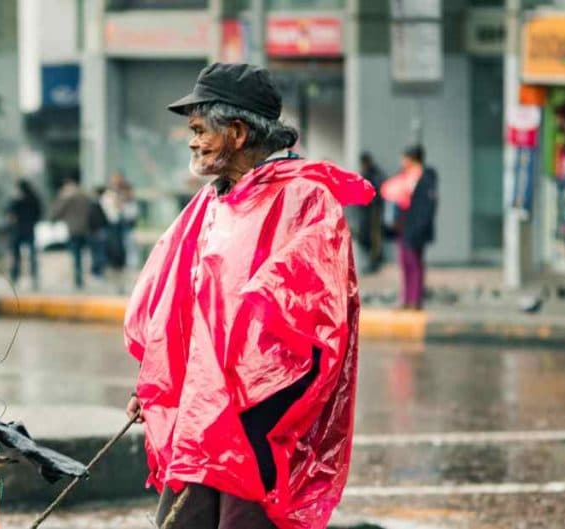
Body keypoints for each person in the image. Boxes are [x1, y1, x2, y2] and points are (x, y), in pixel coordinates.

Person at [123, 62, 374, 529]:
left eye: (201, 130)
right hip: (202, 417)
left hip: (259, 420)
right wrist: (156, 380)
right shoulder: (211, 202)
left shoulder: (304, 200)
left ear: (237, 133)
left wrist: (255, 414)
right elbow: (180, 305)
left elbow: (313, 322)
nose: (193, 141)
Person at [381, 144, 437, 311]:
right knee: (406, 263)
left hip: (415, 227)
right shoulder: (405, 176)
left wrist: (419, 227)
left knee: (414, 263)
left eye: (405, 158)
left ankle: (415, 299)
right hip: (404, 226)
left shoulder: (425, 178)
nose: (402, 161)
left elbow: (427, 207)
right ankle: (406, 299)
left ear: (412, 159)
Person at [52, 174, 102, 289]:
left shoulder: (68, 197)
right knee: (84, 254)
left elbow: (57, 212)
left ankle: (78, 280)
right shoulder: (84, 196)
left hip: (73, 230)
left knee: (76, 255)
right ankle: (82, 278)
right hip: (85, 229)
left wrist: (61, 198)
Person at [6, 180, 43, 290]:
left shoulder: (16, 200)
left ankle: (15, 277)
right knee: (32, 254)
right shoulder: (34, 198)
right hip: (30, 228)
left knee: (16, 255)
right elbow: (39, 213)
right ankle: (34, 277)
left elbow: (9, 213)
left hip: (17, 229)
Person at [357, 152, 386, 273]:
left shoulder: (375, 174)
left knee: (374, 237)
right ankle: (372, 261)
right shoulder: (366, 174)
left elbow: (378, 191)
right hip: (366, 210)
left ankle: (374, 262)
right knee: (365, 236)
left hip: (374, 210)